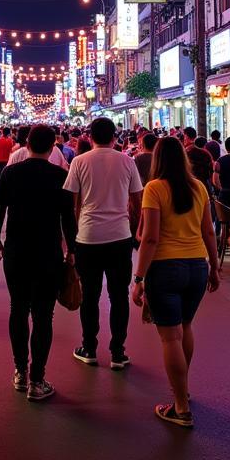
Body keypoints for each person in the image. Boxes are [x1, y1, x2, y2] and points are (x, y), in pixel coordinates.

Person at [131, 136, 221, 427]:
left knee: (170, 337)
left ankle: (180, 406)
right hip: (197, 266)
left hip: (165, 268)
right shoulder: (199, 187)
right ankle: (183, 388)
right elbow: (209, 231)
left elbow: (151, 237)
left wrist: (139, 277)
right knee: (185, 327)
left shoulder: (154, 188)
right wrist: (215, 266)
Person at [0, 125, 77, 402]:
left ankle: (19, 371)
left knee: (18, 309)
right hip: (48, 252)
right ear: (53, 146)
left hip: (16, 250)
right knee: (43, 315)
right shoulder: (60, 175)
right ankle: (37, 380)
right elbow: (68, 219)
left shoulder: (11, 172)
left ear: (27, 144)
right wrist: (72, 250)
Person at [64, 116, 144, 369]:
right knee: (119, 295)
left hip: (88, 237)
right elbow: (137, 201)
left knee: (90, 294)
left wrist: (72, 238)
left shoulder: (79, 161)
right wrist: (134, 229)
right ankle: (118, 352)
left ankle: (89, 347)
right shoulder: (127, 161)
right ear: (114, 137)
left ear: (90, 137)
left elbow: (72, 204)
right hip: (120, 236)